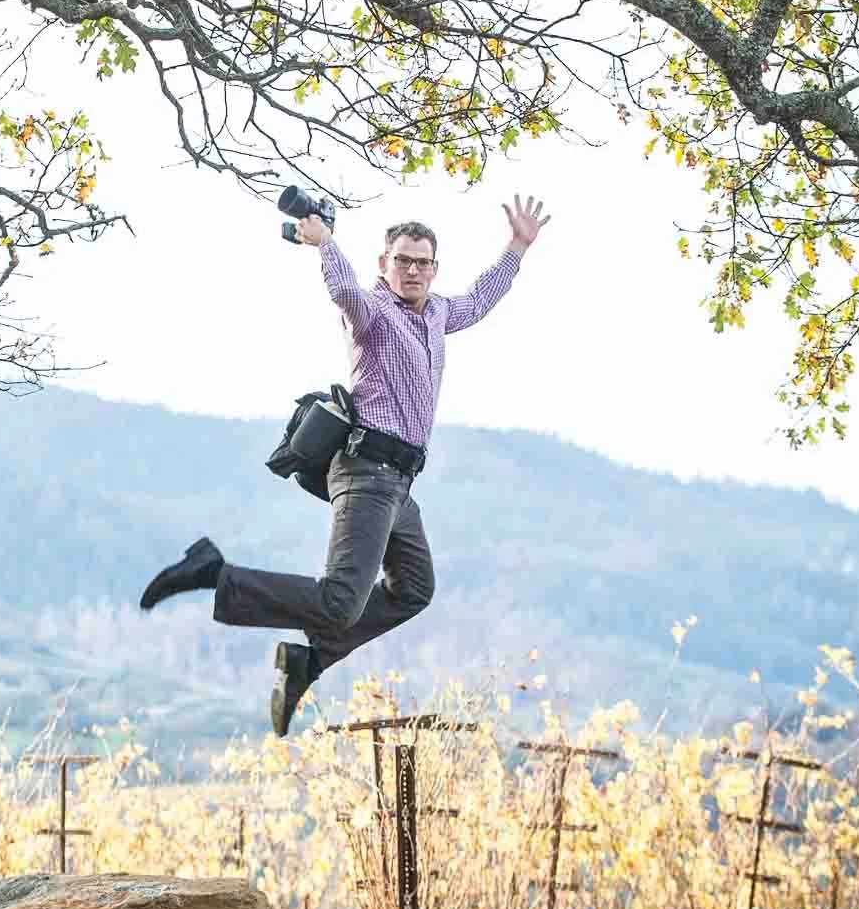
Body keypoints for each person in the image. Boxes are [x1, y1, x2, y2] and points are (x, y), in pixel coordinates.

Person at [138, 196, 551, 734]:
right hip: (367, 470)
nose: (412, 270)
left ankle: (312, 659)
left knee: (414, 589)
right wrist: (326, 245)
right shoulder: (373, 312)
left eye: (422, 262)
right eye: (402, 260)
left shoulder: (440, 313)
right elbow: (344, 293)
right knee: (339, 601)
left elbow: (480, 298)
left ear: (434, 268)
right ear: (385, 264)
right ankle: (215, 573)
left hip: (399, 485)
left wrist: (517, 246)